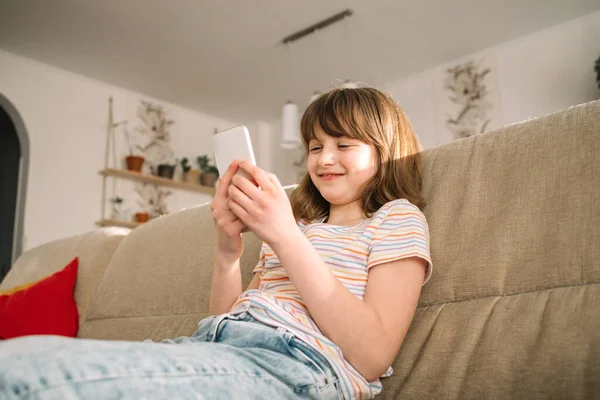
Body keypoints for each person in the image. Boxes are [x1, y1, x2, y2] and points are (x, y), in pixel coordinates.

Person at [0, 87, 432, 400]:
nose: (323, 158)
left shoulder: (396, 218)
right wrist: (228, 252)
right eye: (315, 146)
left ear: (383, 151)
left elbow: (373, 355)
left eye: (343, 144)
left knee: (25, 374)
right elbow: (224, 321)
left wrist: (283, 236)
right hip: (218, 346)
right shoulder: (297, 227)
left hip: (297, 367)